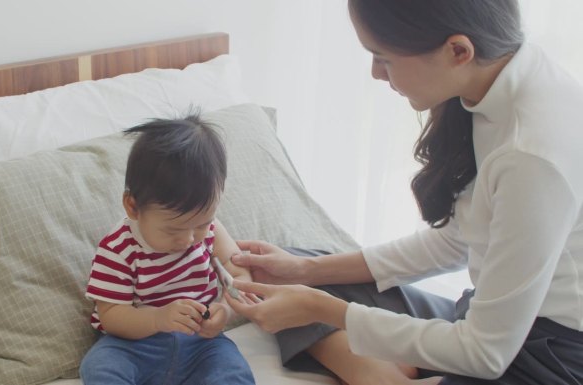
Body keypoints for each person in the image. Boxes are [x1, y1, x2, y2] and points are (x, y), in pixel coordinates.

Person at [225, 1, 583, 384]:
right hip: (493, 322)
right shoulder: (495, 82)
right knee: (287, 275)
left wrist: (320, 309)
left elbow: (485, 352)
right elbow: (458, 241)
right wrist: (307, 272)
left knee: (310, 298)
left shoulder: (531, 152)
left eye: (384, 58)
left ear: (458, 51)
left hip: (546, 358)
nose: (376, 73)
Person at [79, 114, 256, 385]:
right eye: (173, 230)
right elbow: (112, 316)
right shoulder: (118, 249)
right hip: (134, 345)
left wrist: (225, 310)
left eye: (201, 224)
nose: (189, 239)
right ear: (133, 207)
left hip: (201, 344)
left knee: (232, 371)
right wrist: (158, 319)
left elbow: (240, 276)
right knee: (100, 368)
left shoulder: (210, 231)